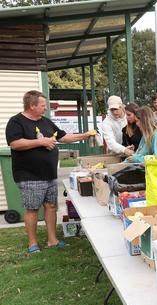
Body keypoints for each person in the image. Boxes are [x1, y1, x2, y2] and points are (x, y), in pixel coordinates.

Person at [6, 90, 96, 254]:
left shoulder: (45, 122)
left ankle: (52, 240)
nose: (45, 108)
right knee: (32, 208)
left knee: (51, 206)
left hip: (49, 173)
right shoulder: (16, 122)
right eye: (42, 105)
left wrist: (85, 135)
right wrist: (41, 142)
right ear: (32, 106)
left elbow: (63, 136)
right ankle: (33, 244)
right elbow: (15, 144)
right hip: (29, 174)